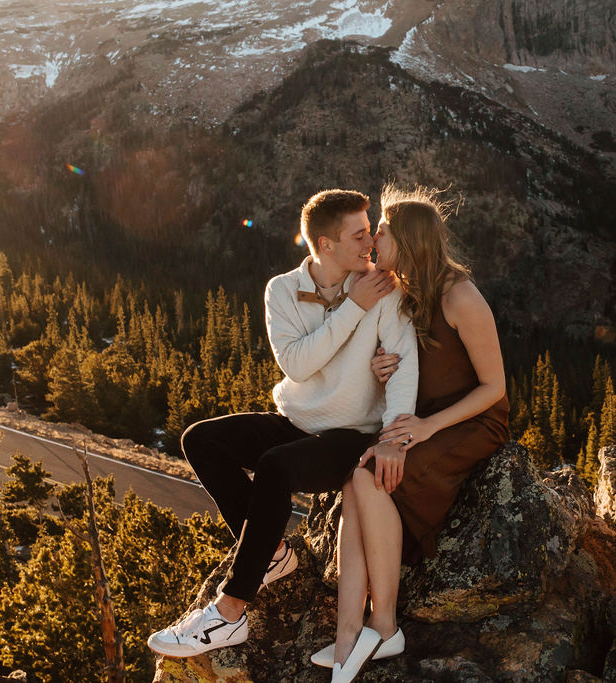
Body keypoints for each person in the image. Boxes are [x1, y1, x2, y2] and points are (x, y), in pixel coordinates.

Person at [147, 189, 418, 658]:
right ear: (325, 244)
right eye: (358, 234)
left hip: (352, 435)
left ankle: (229, 612)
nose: (370, 242)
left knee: (274, 466)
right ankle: (273, 554)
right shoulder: (283, 290)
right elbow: (296, 364)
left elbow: (404, 368)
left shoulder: (383, 289)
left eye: (370, 230)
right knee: (201, 440)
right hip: (297, 419)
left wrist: (393, 438)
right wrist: (351, 308)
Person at [311, 186, 510, 683]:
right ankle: (349, 633)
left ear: (409, 239)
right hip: (419, 418)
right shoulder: (395, 286)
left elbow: (495, 388)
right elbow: (405, 364)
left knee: (370, 477)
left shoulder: (459, 295)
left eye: (382, 228)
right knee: (357, 479)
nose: (373, 235)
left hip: (470, 421)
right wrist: (383, 372)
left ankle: (384, 624)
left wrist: (424, 429)